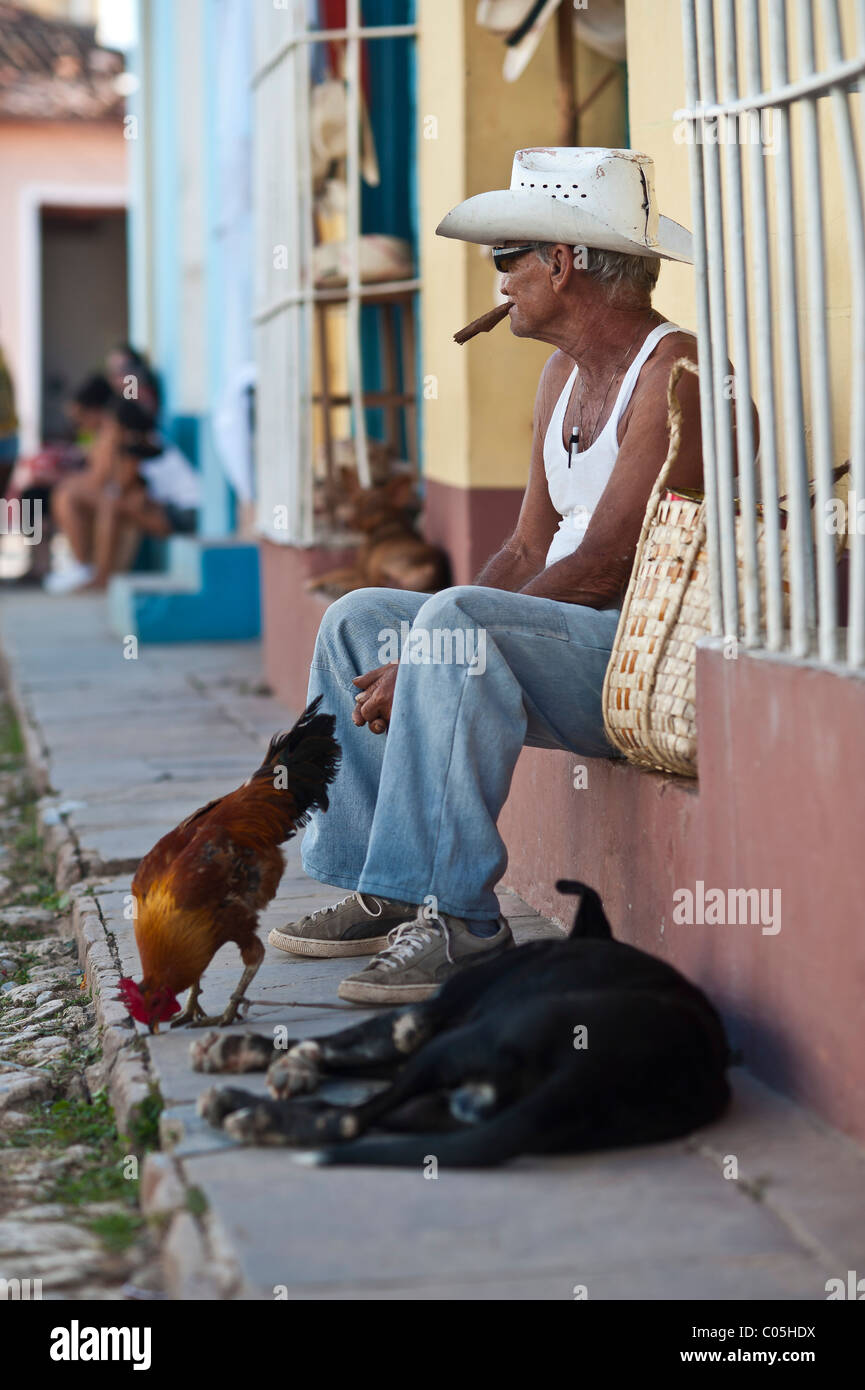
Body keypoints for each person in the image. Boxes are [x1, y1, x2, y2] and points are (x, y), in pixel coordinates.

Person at [270, 147, 706, 1006]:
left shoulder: (672, 374)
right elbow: (524, 548)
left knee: (454, 624)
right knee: (361, 617)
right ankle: (385, 884)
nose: (498, 280)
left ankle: (460, 918)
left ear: (562, 260)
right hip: (560, 640)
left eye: (506, 257)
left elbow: (601, 565)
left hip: (634, 659)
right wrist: (420, 638)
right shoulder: (560, 377)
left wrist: (437, 646)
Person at [47, 399, 200, 594]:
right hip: (174, 512)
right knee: (111, 503)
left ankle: (100, 577)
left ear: (123, 427)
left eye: (110, 426)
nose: (107, 430)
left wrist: (108, 446)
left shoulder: (141, 449)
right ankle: (92, 571)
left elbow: (117, 486)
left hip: (186, 515)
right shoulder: (146, 442)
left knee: (112, 506)